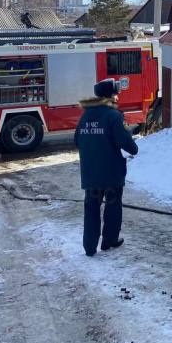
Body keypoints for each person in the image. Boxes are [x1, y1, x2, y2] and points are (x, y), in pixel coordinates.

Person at [74, 78, 139, 257]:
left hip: (90, 174)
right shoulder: (113, 116)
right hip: (111, 173)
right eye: (116, 94)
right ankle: (109, 241)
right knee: (112, 206)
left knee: (91, 208)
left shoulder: (85, 115)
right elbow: (126, 143)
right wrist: (133, 146)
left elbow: (77, 141)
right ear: (111, 96)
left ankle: (89, 247)